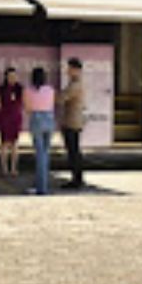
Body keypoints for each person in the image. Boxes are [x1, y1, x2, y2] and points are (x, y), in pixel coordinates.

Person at [23, 67, 56, 195]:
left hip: (36, 118)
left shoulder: (28, 90)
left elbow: (27, 108)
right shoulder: (50, 90)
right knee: (45, 153)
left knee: (40, 154)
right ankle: (43, 183)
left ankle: (41, 187)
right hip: (49, 118)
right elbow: (52, 105)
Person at [59, 57, 85, 189]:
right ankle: (77, 177)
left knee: (73, 151)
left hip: (72, 121)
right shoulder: (74, 83)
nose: (67, 71)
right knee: (74, 151)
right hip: (72, 120)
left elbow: (62, 98)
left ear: (75, 69)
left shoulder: (75, 85)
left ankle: (77, 179)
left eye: (69, 68)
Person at [0, 67, 23, 176]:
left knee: (15, 143)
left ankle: (14, 168)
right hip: (4, 117)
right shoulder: (1, 88)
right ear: (6, 77)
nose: (12, 78)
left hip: (15, 117)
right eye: (10, 76)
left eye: (14, 76)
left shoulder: (19, 88)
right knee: (4, 143)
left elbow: (24, 101)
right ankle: (4, 168)